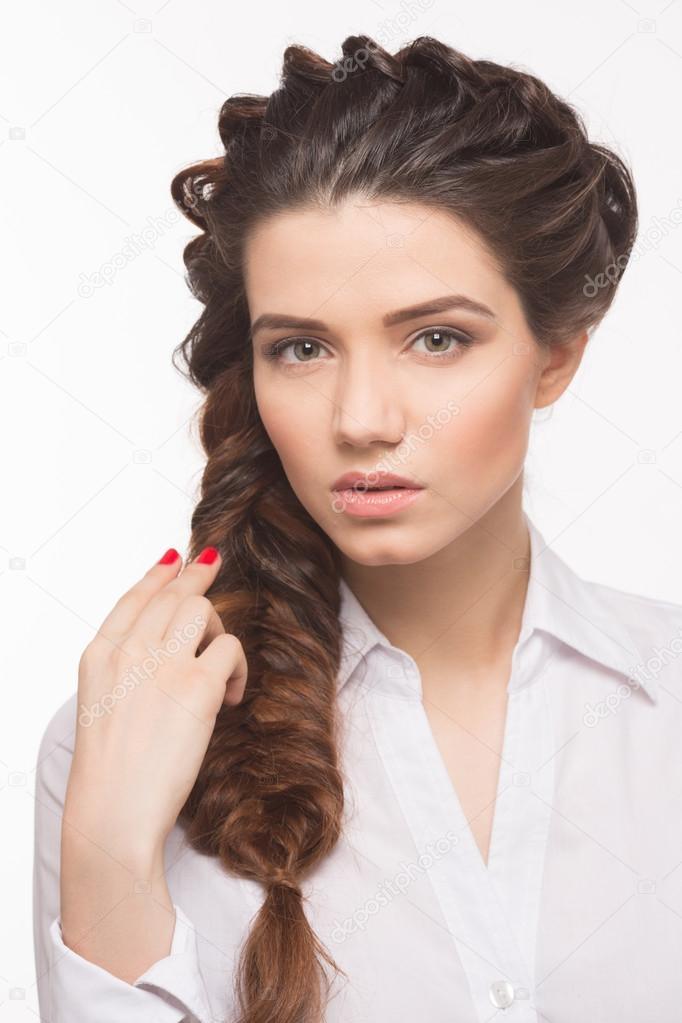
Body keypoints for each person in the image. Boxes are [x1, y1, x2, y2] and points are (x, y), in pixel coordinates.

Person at [32, 32, 682, 1023]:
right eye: (300, 347)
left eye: (436, 338)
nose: (361, 419)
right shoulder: (121, 741)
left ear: (555, 355)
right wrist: (107, 853)